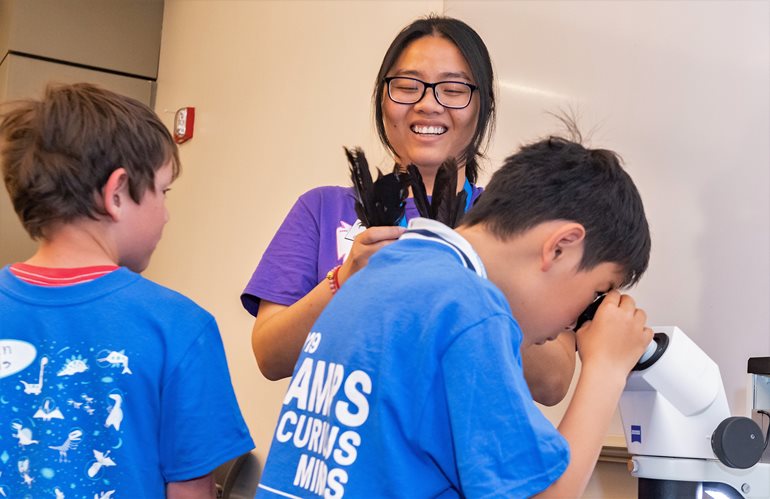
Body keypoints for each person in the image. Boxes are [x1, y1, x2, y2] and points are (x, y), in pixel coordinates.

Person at [254, 133, 653, 498]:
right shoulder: (471, 312)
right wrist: (606, 368)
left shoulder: (383, 273)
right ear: (561, 246)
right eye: (596, 292)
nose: (575, 323)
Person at [242, 15, 576, 406]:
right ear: (382, 98)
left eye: (452, 89)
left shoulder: (521, 222)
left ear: (482, 104)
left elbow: (552, 382)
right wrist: (344, 279)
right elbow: (269, 356)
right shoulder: (321, 208)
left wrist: (475, 282)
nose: (427, 104)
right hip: (342, 458)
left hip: (452, 466)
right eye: (406, 86)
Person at [0, 83, 254, 498]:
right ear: (117, 193)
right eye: (163, 191)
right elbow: (190, 491)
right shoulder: (180, 326)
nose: (167, 214)